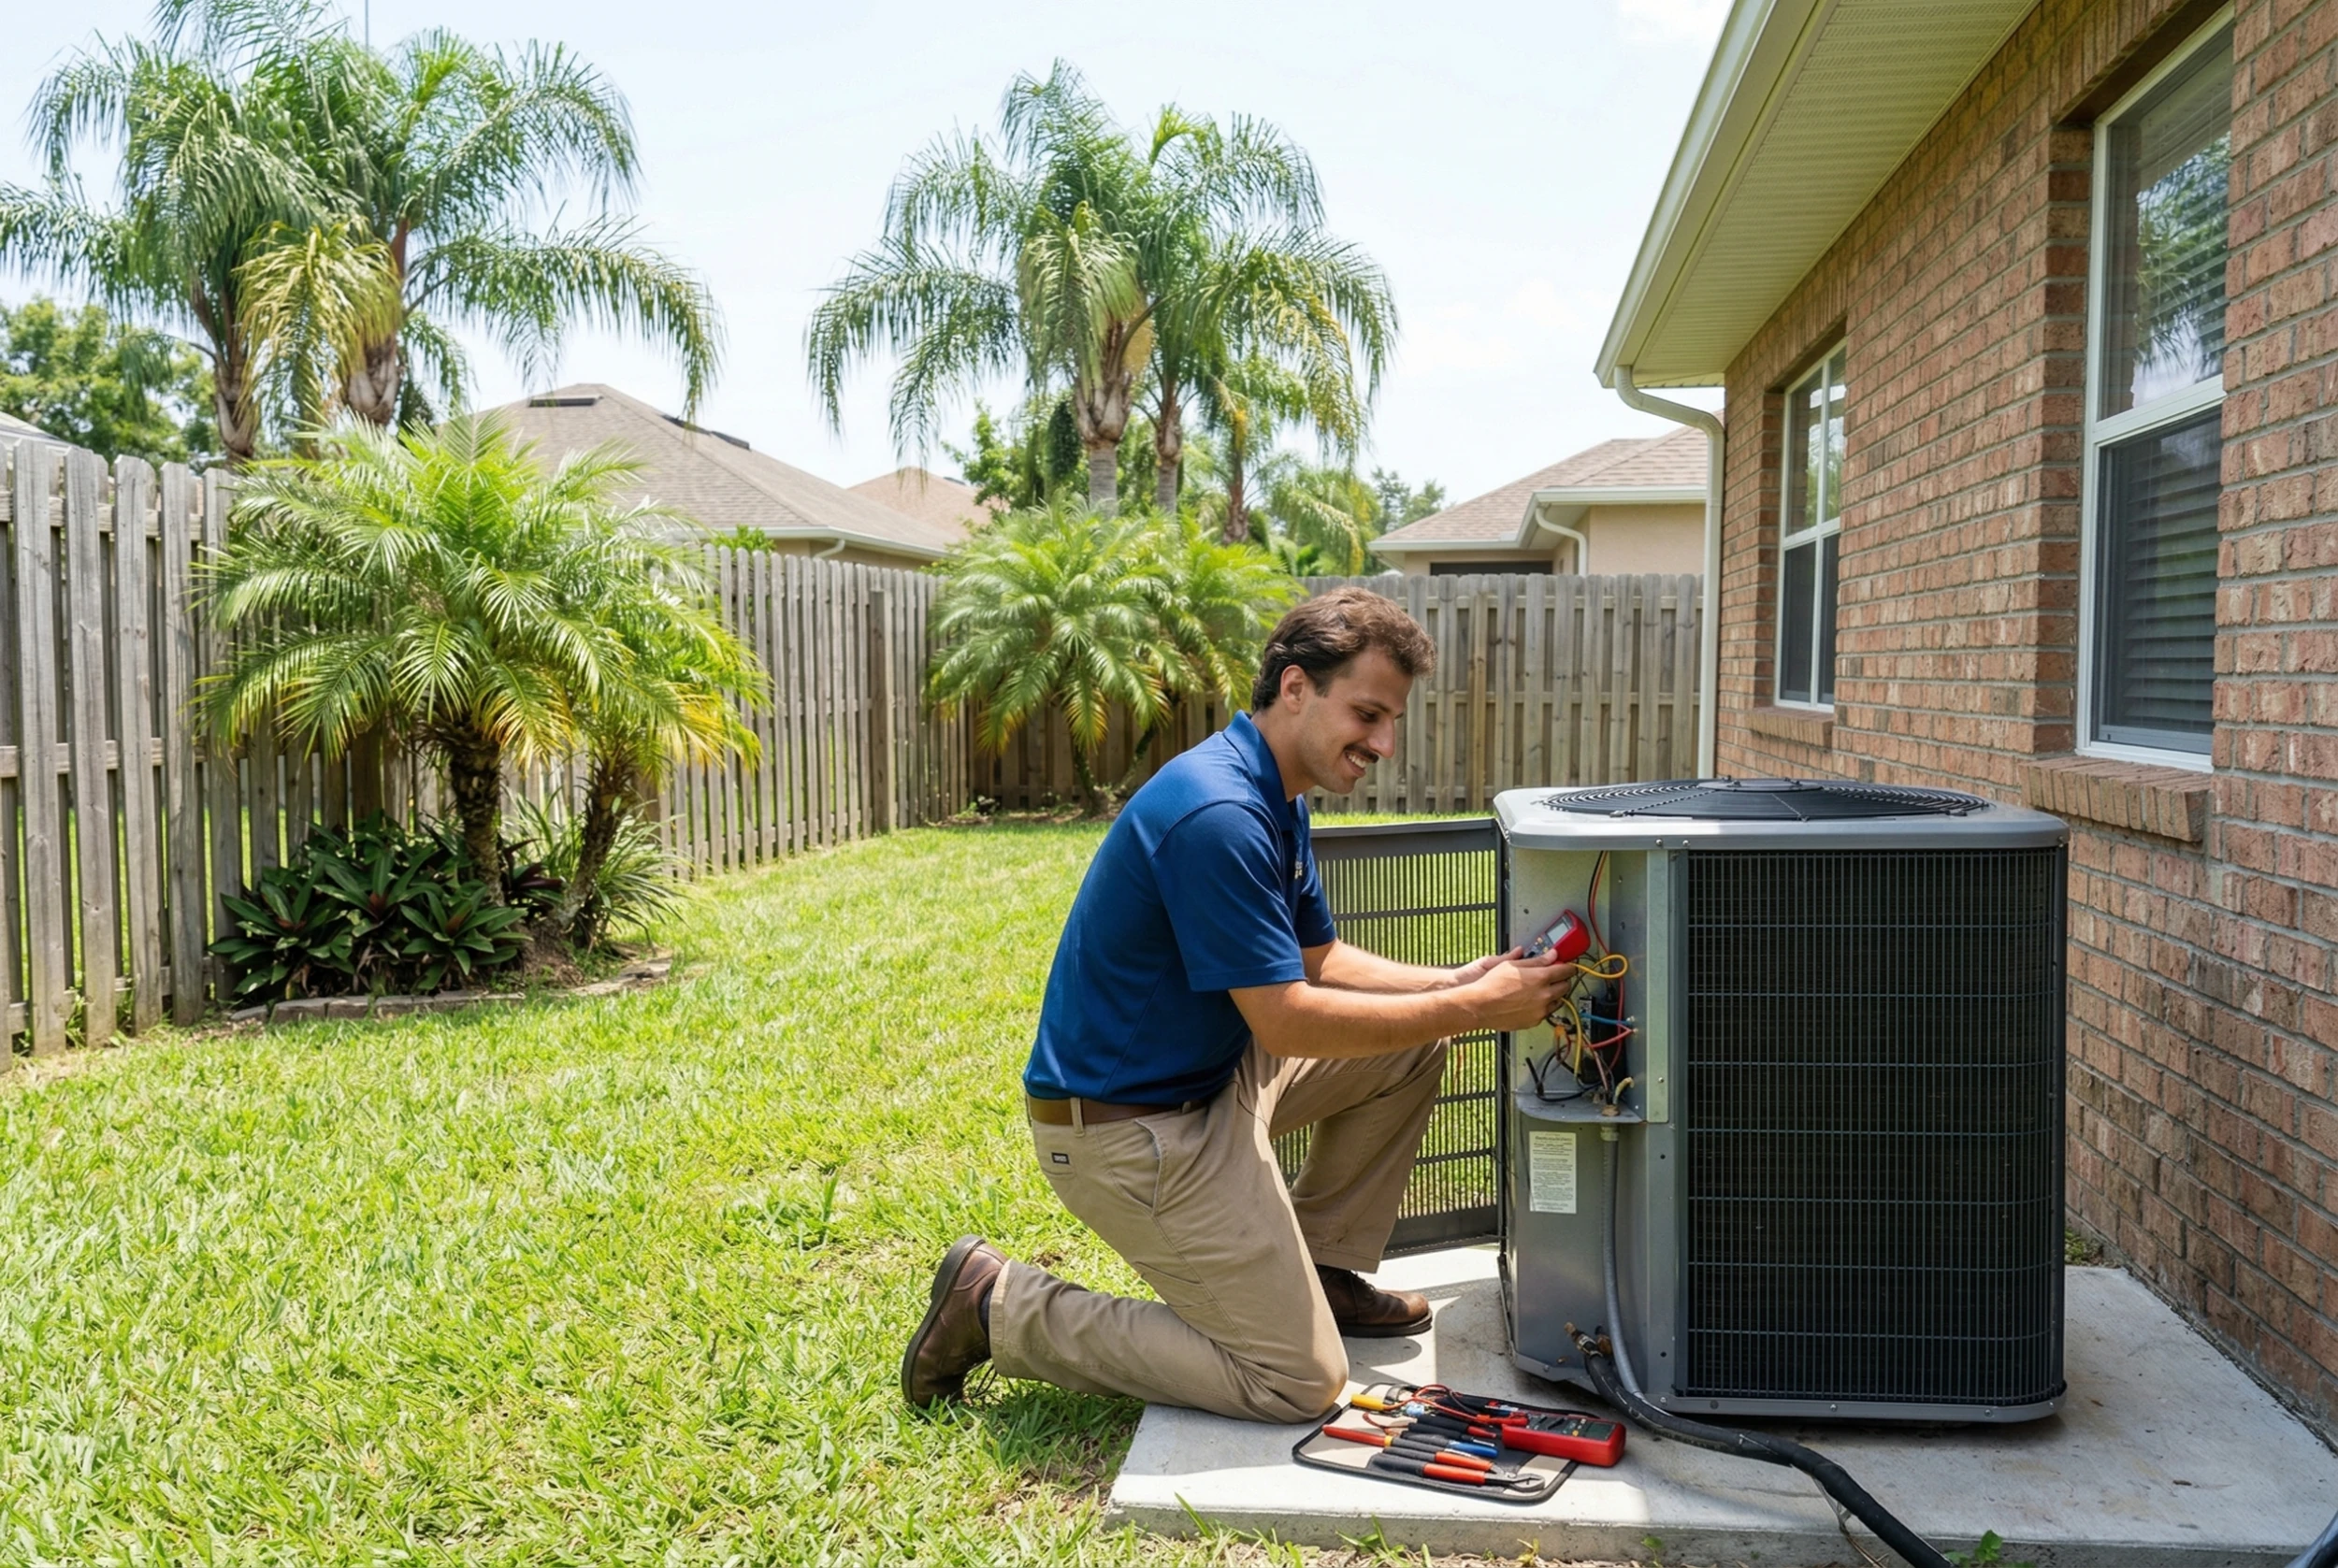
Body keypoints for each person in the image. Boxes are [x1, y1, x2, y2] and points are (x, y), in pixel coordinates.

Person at [901, 588, 1579, 1422]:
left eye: (1392, 719)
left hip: (1209, 1077)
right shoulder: (1219, 812)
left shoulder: (1274, 792)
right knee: (1297, 1381)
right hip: (1130, 1132)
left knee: (1410, 1043)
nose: (1384, 743)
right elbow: (1288, 1016)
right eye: (1367, 713)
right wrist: (1477, 1009)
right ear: (1296, 687)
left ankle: (1319, 1270)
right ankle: (996, 1304)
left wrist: (1450, 982)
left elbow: (1313, 957)